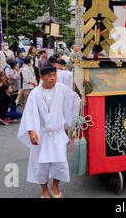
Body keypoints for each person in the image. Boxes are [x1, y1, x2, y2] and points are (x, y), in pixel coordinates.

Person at [18, 62, 81, 198]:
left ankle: (55, 187)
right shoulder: (35, 94)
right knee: (41, 165)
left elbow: (74, 99)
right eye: (49, 75)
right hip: (42, 135)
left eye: (54, 75)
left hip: (58, 134)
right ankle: (44, 191)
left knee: (60, 163)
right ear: (41, 77)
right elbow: (29, 113)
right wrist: (31, 131)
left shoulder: (61, 88)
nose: (53, 78)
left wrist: (84, 98)